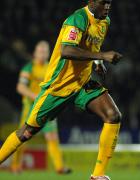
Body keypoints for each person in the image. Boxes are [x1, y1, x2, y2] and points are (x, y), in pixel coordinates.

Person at [0, 0, 123, 179]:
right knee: (26, 132)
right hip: (58, 87)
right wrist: (102, 55)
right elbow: (67, 50)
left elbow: (91, 46)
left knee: (113, 115)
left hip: (81, 83)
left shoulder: (105, 22)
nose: (107, 7)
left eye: (109, 3)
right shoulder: (77, 19)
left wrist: (97, 61)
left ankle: (98, 176)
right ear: (91, 2)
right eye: (103, 3)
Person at [10, 41, 71, 174]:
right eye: (40, 51)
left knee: (52, 136)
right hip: (30, 107)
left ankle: (60, 167)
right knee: (22, 137)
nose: (42, 54)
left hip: (47, 107)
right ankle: (15, 165)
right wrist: (35, 96)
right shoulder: (29, 68)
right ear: (35, 53)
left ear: (48, 53)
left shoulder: (52, 67)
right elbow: (20, 87)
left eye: (45, 51)